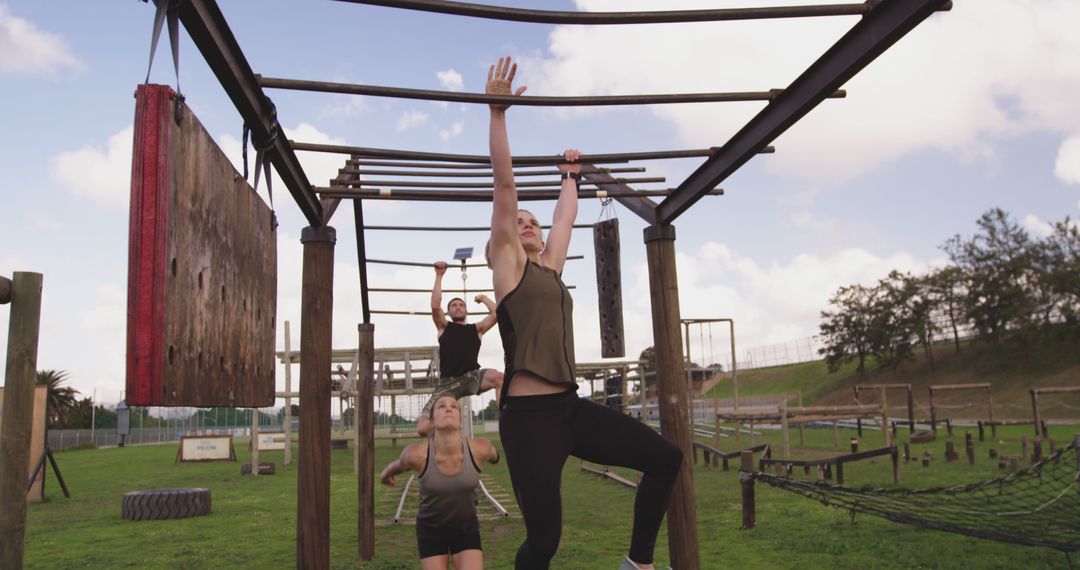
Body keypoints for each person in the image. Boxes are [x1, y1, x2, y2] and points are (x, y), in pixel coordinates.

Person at [484, 56, 683, 570]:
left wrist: (570, 174)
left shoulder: (549, 266)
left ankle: (637, 564)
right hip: (528, 422)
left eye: (533, 222)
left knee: (666, 459)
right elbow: (505, 190)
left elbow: (564, 218)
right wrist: (498, 115)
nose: (528, 224)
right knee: (544, 543)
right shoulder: (508, 267)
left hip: (571, 410)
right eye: (520, 221)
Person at [381, 394, 500, 570]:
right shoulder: (417, 454)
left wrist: (496, 457)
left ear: (460, 419)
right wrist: (385, 474)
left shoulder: (479, 449)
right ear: (432, 422)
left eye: (454, 406)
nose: (449, 408)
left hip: (466, 528)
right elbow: (399, 465)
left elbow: (495, 455)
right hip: (431, 530)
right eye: (442, 406)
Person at [417, 261, 504, 437]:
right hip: (448, 384)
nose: (458, 307)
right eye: (454, 306)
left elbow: (497, 314)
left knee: (499, 377)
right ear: (448, 312)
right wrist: (439, 275)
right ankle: (447, 434)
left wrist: (483, 298)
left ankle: (506, 420)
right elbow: (435, 306)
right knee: (423, 429)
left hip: (472, 377)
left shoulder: (477, 329)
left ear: (466, 311)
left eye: (461, 305)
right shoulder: (443, 326)